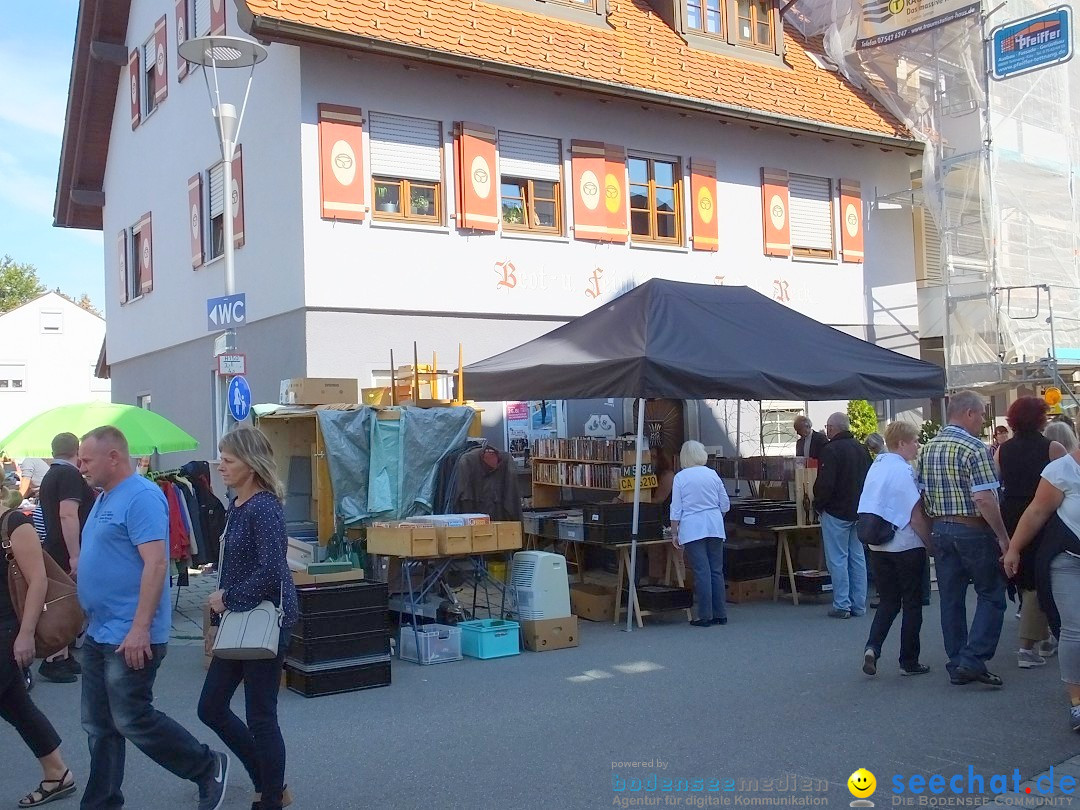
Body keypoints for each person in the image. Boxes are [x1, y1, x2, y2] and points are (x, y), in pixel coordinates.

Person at [76, 426, 229, 810]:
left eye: (86, 459)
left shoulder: (141, 496)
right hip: (100, 631)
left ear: (114, 457)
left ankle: (205, 765)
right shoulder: (104, 497)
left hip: (130, 632)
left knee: (131, 718)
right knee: (100, 726)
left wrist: (141, 627)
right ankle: (101, 802)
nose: (80, 466)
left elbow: (157, 563)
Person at [198, 427, 298, 810]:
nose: (221, 466)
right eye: (221, 458)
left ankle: (270, 798)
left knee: (260, 716)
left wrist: (227, 598)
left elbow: (273, 569)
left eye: (229, 460)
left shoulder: (265, 506)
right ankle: (269, 782)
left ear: (252, 465)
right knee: (211, 708)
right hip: (238, 620)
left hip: (264, 620)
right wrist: (221, 610)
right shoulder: (237, 505)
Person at [919, 390, 1010, 687]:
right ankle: (973, 658)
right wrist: (1003, 536)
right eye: (981, 414)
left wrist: (929, 536)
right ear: (969, 413)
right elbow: (984, 498)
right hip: (972, 528)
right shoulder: (974, 448)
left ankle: (958, 660)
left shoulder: (927, 448)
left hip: (941, 528)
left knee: (951, 598)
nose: (983, 420)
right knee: (991, 593)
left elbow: (919, 497)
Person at [0, 482, 77, 808]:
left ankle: (58, 774)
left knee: (15, 703)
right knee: (15, 704)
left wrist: (26, 634)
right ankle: (57, 773)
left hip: (6, 628)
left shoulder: (14, 523)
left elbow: (38, 581)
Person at [1004, 441, 1080, 731]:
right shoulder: (1062, 470)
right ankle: (1077, 703)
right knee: (1075, 627)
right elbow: (1036, 513)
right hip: (1068, 559)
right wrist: (1014, 549)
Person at [998, 398, 1068, 670]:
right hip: (1044, 513)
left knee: (1025, 575)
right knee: (1043, 576)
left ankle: (1043, 637)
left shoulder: (1002, 450)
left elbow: (998, 482)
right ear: (1040, 419)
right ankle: (1030, 644)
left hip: (1013, 512)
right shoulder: (1053, 448)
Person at [858, 421, 933, 677]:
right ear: (901, 443)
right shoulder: (903, 471)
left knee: (888, 601)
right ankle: (908, 660)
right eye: (913, 441)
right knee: (912, 603)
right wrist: (929, 544)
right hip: (905, 544)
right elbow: (915, 516)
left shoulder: (877, 466)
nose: (917, 446)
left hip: (878, 544)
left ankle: (872, 647)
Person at [37, 433, 96, 684]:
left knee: (64, 601)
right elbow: (68, 515)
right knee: (65, 603)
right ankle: (54, 659)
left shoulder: (51, 474)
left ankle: (63, 653)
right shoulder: (69, 475)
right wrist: (75, 555)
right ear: (77, 449)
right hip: (65, 549)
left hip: (53, 546)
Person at [813, 412, 872, 618]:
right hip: (858, 510)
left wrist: (818, 505)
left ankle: (842, 604)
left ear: (831, 428)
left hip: (836, 511)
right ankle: (859, 604)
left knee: (837, 559)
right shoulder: (862, 449)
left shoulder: (830, 450)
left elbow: (825, 484)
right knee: (857, 558)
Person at [669, 440, 730, 627]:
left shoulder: (681, 477)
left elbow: (676, 508)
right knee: (716, 571)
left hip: (693, 527)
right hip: (714, 525)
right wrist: (716, 516)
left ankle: (705, 615)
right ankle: (721, 613)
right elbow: (725, 504)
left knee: (701, 571)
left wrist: (674, 532)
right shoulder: (712, 474)